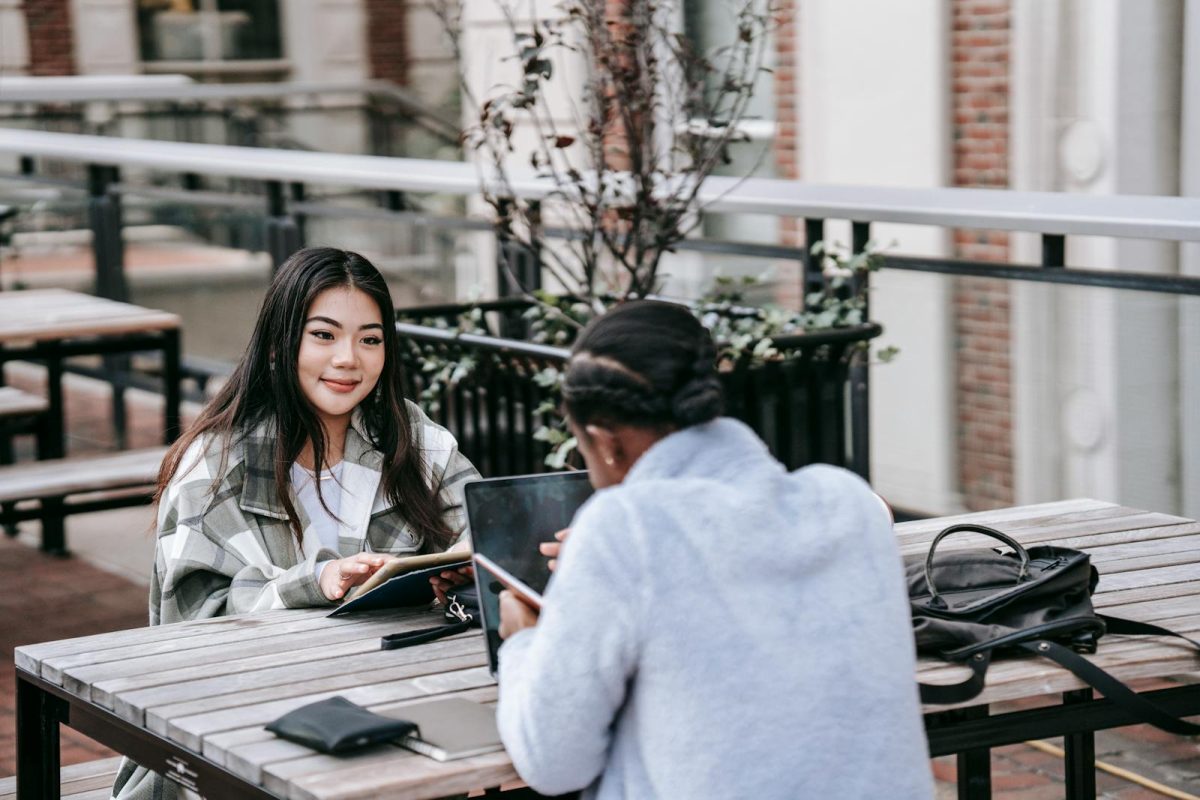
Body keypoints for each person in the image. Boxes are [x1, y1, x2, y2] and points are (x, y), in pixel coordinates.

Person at [495, 301, 934, 799]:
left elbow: (552, 765)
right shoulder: (849, 502)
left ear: (605, 442)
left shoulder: (624, 529)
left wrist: (523, 641)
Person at [111, 246, 479, 800]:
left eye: (370, 339)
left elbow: (481, 525)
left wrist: (464, 568)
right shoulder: (216, 463)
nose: (349, 359)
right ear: (282, 345)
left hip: (390, 708)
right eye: (324, 335)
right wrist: (316, 583)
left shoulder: (414, 439)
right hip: (237, 732)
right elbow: (191, 621)